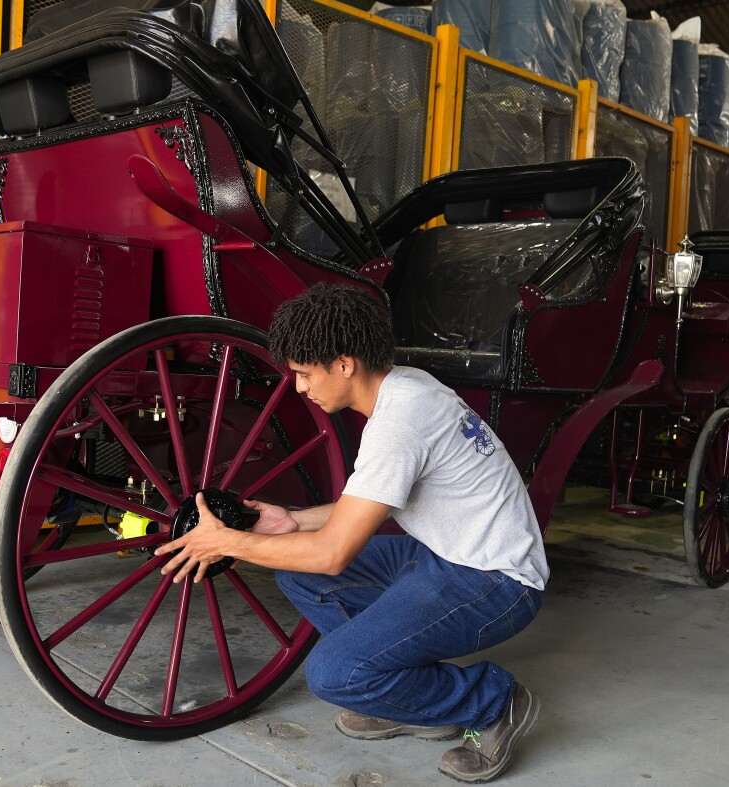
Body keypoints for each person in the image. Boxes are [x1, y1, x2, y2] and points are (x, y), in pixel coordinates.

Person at [156, 282, 549, 783]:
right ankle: (404, 693)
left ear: (344, 365)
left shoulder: (400, 421)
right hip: (444, 553)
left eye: (304, 373)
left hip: (496, 581)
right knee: (293, 573)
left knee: (335, 674)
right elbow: (359, 509)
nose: (300, 387)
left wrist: (228, 542)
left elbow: (333, 554)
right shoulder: (403, 385)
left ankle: (493, 703)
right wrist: (292, 521)